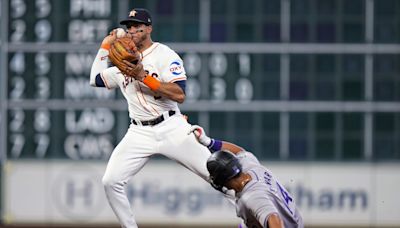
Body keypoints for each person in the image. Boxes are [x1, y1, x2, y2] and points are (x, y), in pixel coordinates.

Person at [89, 8, 214, 228]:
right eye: (129, 27)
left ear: (149, 28)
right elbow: (94, 79)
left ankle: (251, 216)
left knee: (216, 176)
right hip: (139, 132)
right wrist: (105, 45)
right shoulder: (121, 62)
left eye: (137, 26)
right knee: (111, 181)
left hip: (171, 126)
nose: (132, 30)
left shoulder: (164, 55)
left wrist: (144, 77)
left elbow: (180, 94)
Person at [189, 125, 304, 228]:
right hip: (293, 219)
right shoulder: (249, 166)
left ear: (223, 179)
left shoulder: (252, 198)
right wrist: (209, 142)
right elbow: (239, 151)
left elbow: (275, 220)